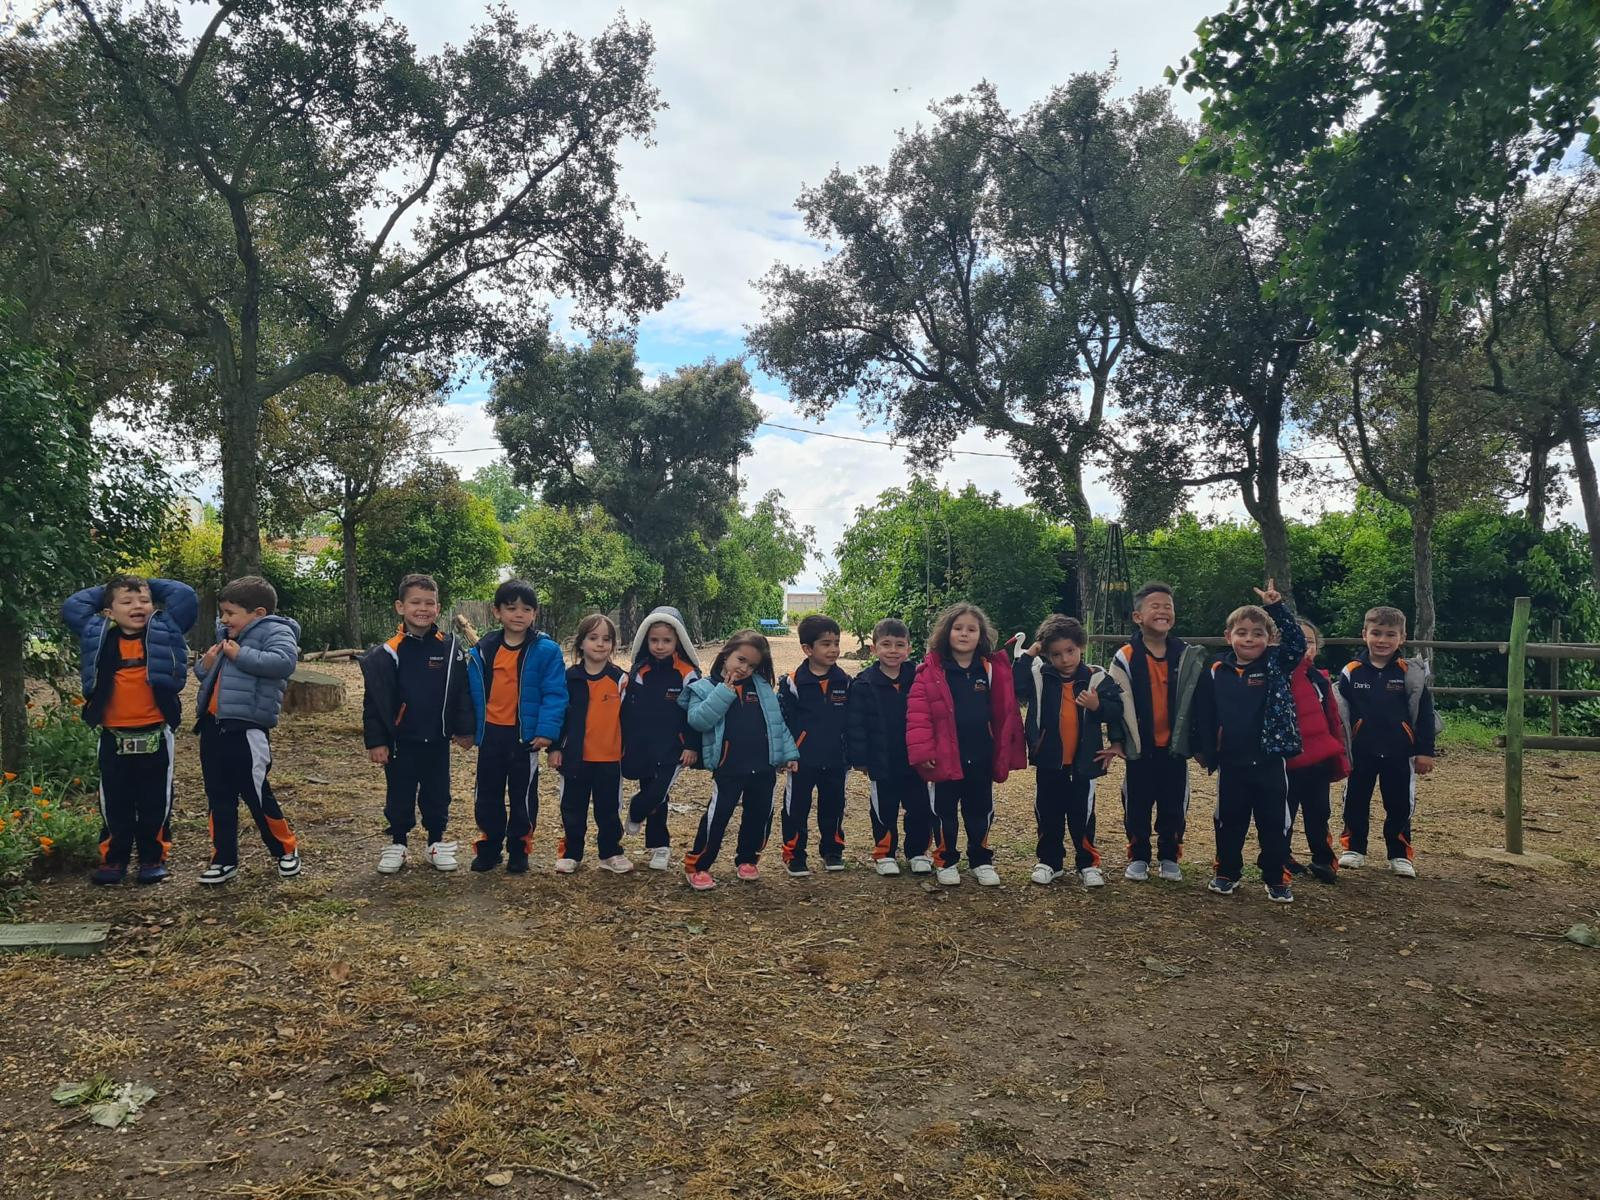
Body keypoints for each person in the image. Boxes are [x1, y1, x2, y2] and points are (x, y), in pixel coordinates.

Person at [62, 573, 198, 886]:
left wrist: (144, 582)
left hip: (156, 731)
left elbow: (185, 595)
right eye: (127, 601)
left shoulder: (165, 630)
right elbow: (73, 606)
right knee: (115, 800)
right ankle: (114, 859)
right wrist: (114, 586)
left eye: (144, 600)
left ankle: (153, 858)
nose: (138, 605)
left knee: (156, 800)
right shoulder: (98, 634)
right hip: (113, 735)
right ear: (108, 612)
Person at [1191, 581, 1305, 903]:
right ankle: (1227, 872)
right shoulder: (1215, 669)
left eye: (1258, 633)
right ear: (1229, 637)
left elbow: (1296, 643)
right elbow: (1203, 711)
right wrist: (1202, 748)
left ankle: (1275, 876)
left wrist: (1276, 608)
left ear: (1269, 639)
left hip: (1270, 760)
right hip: (1231, 761)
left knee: (1274, 822)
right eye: (1242, 632)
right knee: (1229, 821)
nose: (1250, 638)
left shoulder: (1275, 664)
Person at [905, 603, 1027, 887]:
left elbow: (1006, 711)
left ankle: (981, 859)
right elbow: (918, 715)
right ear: (946, 633)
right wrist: (924, 753)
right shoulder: (931, 671)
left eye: (971, 629)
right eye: (958, 628)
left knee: (980, 809)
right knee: (944, 811)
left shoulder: (991, 669)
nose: (964, 634)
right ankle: (946, 859)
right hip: (946, 758)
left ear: (981, 635)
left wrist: (1006, 748)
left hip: (981, 755)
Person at [361, 574, 475, 874]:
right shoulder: (386, 653)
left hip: (437, 741)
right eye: (415, 603)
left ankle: (435, 842)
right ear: (400, 607)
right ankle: (398, 843)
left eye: (429, 603)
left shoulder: (451, 648)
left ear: (438, 609)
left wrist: (464, 730)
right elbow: (375, 701)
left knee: (438, 794)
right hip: (401, 742)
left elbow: (461, 692)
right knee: (399, 793)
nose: (422, 609)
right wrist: (377, 741)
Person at [192, 575, 301, 884]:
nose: (224, 619)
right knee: (218, 796)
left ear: (258, 613)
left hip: (247, 729)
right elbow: (206, 676)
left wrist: (240, 654)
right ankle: (223, 859)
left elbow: (283, 663)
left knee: (256, 794)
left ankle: (285, 850)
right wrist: (206, 663)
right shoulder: (228, 636)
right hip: (213, 727)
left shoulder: (276, 631)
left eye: (230, 613)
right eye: (222, 613)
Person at [679, 630, 798, 891]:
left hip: (763, 766)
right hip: (729, 767)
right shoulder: (704, 687)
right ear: (725, 654)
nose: (745, 668)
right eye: (741, 660)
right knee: (718, 816)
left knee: (760, 815)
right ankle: (698, 865)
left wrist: (788, 754)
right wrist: (724, 691)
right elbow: (698, 720)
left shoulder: (762, 687)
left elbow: (777, 723)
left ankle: (747, 859)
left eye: (753, 664)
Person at [463, 579, 567, 873]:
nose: (518, 614)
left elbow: (555, 693)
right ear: (497, 612)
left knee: (522, 795)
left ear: (534, 613)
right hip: (492, 733)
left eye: (526, 609)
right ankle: (490, 846)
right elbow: (470, 693)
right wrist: (468, 728)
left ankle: (519, 848)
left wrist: (547, 731)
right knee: (487, 794)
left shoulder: (546, 650)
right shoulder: (484, 649)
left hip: (525, 736)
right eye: (511, 608)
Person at [1107, 582, 1207, 882]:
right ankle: (1138, 856)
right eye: (1156, 606)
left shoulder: (1187, 654)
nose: (1163, 611)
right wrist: (1116, 740)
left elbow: (1200, 702)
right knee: (1136, 804)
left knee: (1173, 805)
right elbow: (1114, 700)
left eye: (1168, 607)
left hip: (1175, 749)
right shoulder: (1125, 656)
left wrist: (1201, 744)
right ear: (1138, 616)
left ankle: (1169, 855)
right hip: (1140, 748)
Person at [1015, 615, 1124, 889]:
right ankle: (1049, 862)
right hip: (1050, 761)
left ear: (1081, 647)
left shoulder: (1096, 677)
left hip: (1083, 762)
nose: (1064, 659)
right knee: (1048, 812)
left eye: (1070, 651)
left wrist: (1098, 706)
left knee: (1082, 815)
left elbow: (1117, 710)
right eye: (1056, 654)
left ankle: (1088, 863)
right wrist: (1031, 653)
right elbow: (1015, 685)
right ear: (1047, 654)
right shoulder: (1041, 676)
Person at [1334, 606, 1437, 877]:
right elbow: (1338, 713)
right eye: (1376, 633)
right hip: (1360, 752)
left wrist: (1425, 751)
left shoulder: (1409, 673)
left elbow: (1425, 714)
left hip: (1400, 753)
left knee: (1400, 804)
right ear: (1364, 635)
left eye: (1390, 634)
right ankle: (1354, 849)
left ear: (1401, 638)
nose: (1382, 640)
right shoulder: (1351, 671)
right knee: (1355, 801)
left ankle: (1400, 854)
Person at [844, 618, 929, 876]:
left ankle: (917, 853)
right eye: (886, 644)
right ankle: (885, 853)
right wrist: (860, 758)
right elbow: (855, 724)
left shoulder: (920, 678)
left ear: (909, 648)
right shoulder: (863, 683)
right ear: (874, 649)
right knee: (884, 810)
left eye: (899, 645)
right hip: (881, 761)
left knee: (920, 809)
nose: (893, 650)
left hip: (915, 760)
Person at [621, 606, 701, 871]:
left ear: (678, 640)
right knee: (656, 795)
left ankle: (637, 809)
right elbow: (629, 710)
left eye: (666, 640)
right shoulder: (639, 671)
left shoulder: (688, 673)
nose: (659, 646)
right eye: (654, 640)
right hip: (643, 745)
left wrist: (691, 744)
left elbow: (695, 712)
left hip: (674, 747)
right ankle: (659, 846)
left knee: (657, 792)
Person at [551, 614, 631, 875]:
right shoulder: (569, 678)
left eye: (606, 639)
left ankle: (610, 852)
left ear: (614, 645)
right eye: (593, 638)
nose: (600, 644)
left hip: (609, 758)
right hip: (575, 758)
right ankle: (572, 853)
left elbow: (630, 719)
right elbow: (558, 715)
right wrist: (554, 748)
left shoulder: (620, 679)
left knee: (609, 810)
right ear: (581, 643)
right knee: (572, 809)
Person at [778, 614, 852, 876]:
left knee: (833, 807)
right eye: (826, 644)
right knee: (796, 808)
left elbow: (851, 721)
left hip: (835, 759)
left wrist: (849, 753)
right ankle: (794, 855)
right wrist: (786, 754)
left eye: (836, 642)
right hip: (801, 760)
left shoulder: (845, 682)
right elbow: (783, 721)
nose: (833, 649)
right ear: (807, 649)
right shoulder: (792, 682)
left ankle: (832, 851)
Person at [1284, 618, 1348, 885]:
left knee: (1319, 813)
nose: (1303, 647)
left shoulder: (1320, 679)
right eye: (1296, 641)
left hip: (1318, 760)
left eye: (1309, 642)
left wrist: (1338, 753)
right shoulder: (1277, 675)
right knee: (1283, 813)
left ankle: (1323, 859)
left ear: (1317, 647)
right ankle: (1281, 857)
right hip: (1285, 762)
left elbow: (1333, 717)